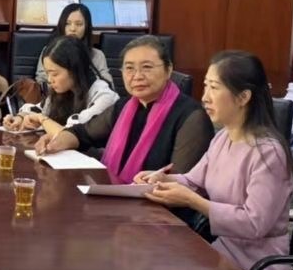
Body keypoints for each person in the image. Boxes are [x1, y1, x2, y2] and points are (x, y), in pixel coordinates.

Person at [143, 51, 293, 270]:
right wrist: (164, 179)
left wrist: (193, 201)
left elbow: (254, 223)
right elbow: (193, 181)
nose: (205, 97)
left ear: (243, 97)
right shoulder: (223, 137)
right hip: (220, 256)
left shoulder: (269, 153)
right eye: (205, 86)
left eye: (214, 88)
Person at [68, 35, 212, 181]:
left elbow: (183, 180)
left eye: (147, 67)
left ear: (168, 70)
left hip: (156, 195)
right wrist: (58, 142)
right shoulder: (123, 106)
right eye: (129, 68)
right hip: (113, 192)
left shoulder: (192, 118)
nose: (137, 76)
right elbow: (83, 133)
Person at [5, 36, 117, 151]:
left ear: (74, 70)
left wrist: (42, 120)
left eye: (54, 74)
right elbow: (40, 109)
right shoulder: (64, 90)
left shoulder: (103, 96)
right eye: (47, 73)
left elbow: (72, 134)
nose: (49, 80)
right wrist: (20, 117)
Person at [13, 2, 112, 103]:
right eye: (67, 24)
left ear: (87, 27)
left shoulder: (97, 55)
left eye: (79, 24)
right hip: (55, 100)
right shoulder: (51, 51)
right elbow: (42, 81)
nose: (73, 29)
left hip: (88, 101)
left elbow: (107, 84)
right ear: (62, 25)